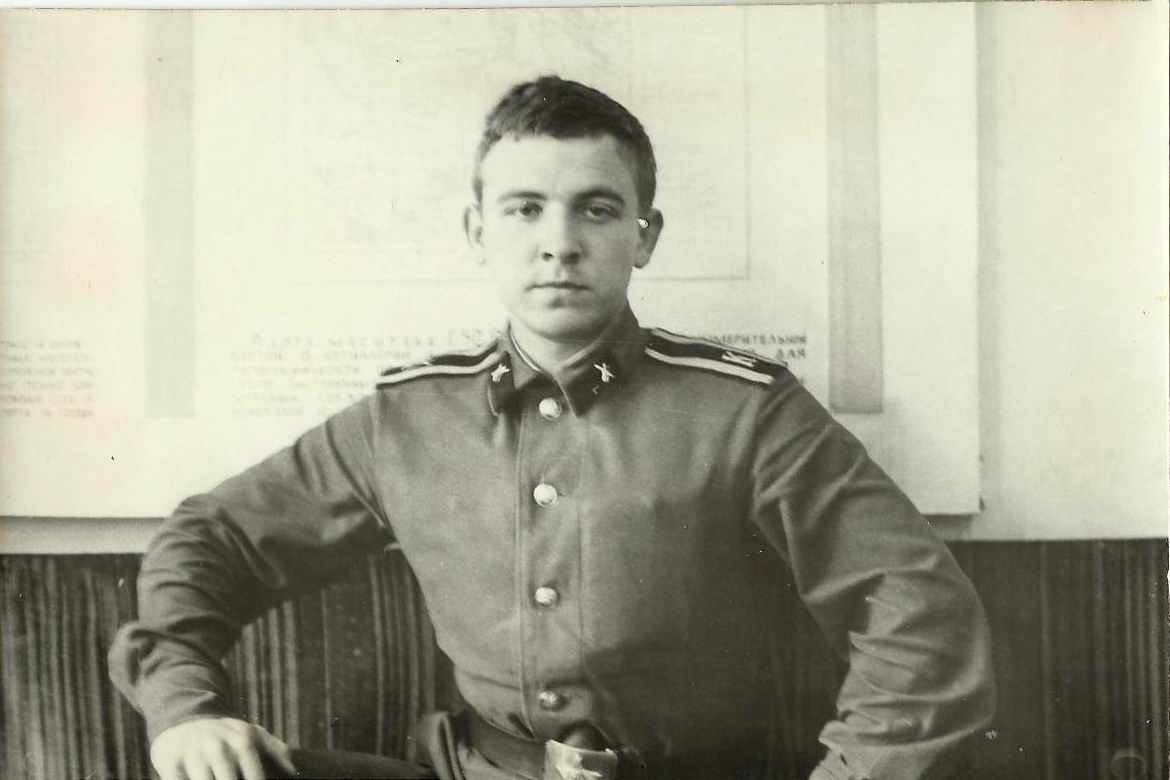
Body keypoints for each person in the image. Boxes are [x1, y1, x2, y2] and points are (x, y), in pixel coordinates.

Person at [109, 75, 995, 780]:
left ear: (644, 235)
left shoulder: (746, 412)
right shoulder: (406, 419)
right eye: (524, 208)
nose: (558, 242)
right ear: (477, 231)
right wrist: (185, 710)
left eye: (596, 209)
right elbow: (212, 539)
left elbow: (922, 617)